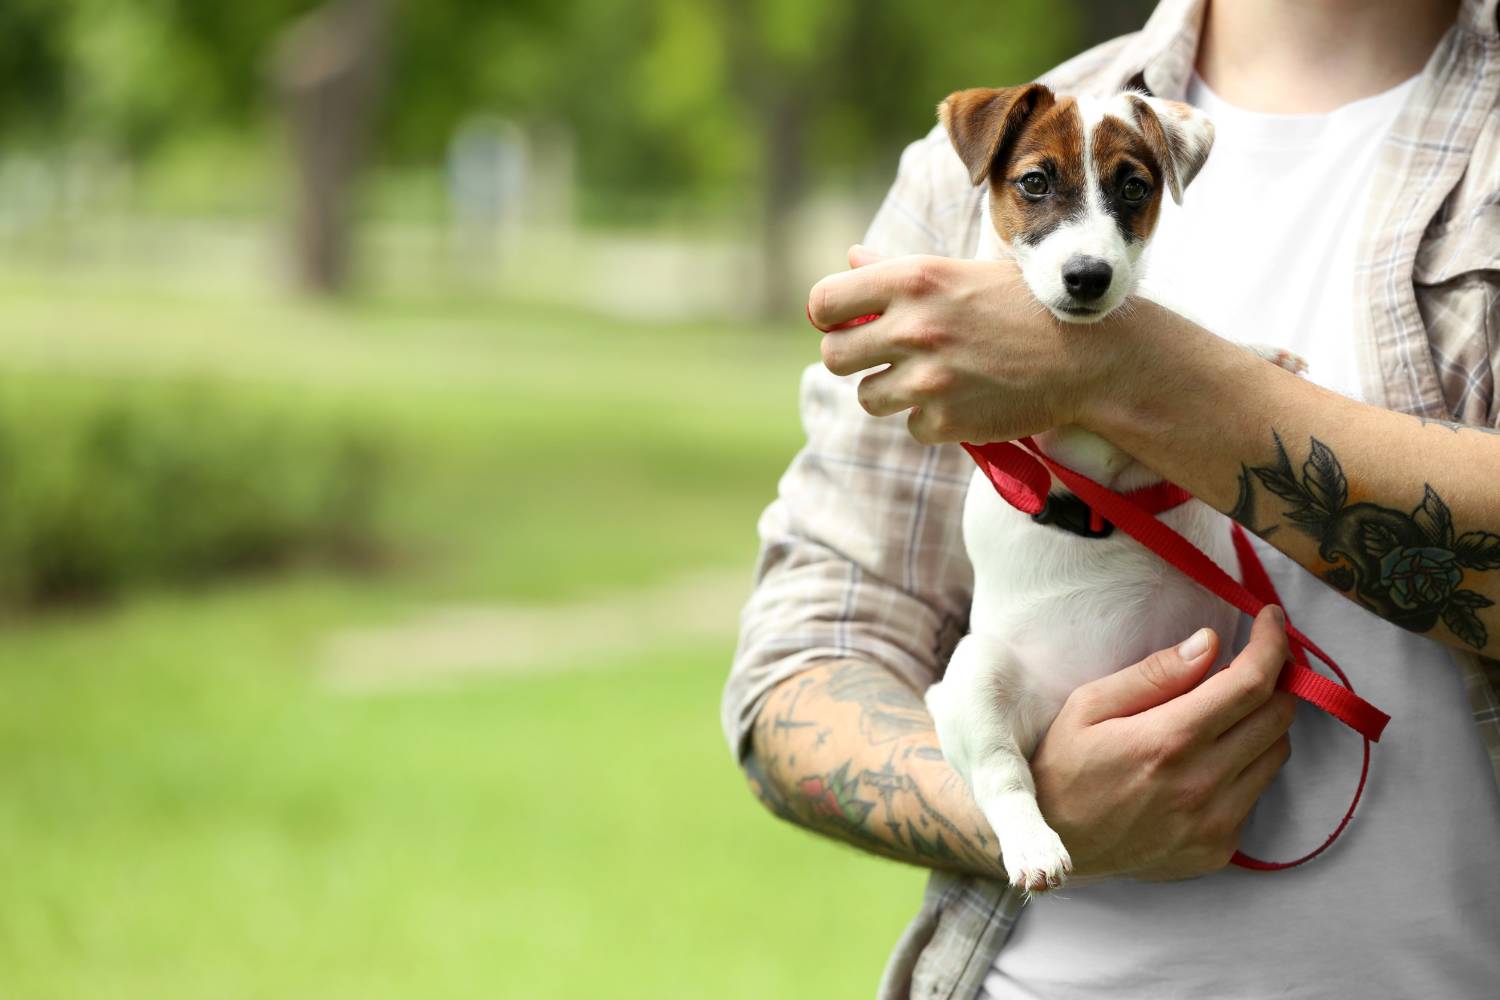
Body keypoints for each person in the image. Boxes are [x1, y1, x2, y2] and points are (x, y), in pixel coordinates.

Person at [722, 0, 1500, 997]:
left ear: (1159, 182)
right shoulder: (959, 177)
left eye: (1126, 196)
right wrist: (1024, 807)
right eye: (1040, 191)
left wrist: (1126, 378)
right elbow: (802, 661)